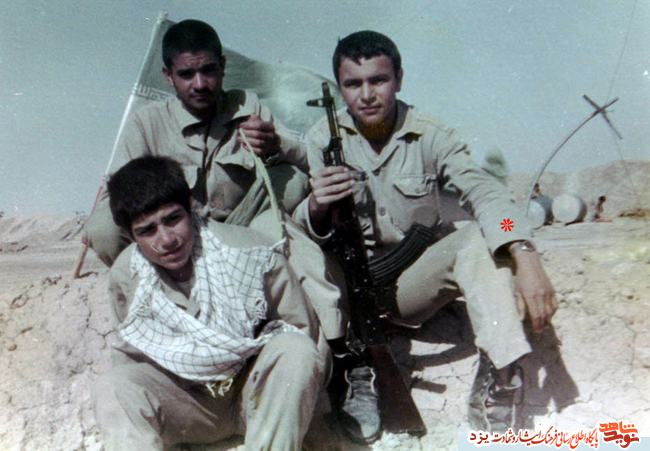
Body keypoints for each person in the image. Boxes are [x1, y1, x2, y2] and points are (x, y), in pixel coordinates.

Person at [292, 31, 558, 441]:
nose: (366, 95)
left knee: (478, 237)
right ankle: (356, 374)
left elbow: (487, 194)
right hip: (348, 292)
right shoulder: (320, 139)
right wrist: (316, 205)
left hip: (410, 287)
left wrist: (523, 251)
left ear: (398, 79)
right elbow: (305, 227)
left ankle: (502, 374)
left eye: (378, 80)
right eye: (353, 84)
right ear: (340, 88)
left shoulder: (432, 134)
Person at [84, 19, 347, 349]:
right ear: (168, 76)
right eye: (186, 74)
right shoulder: (148, 122)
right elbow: (119, 194)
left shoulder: (247, 106)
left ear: (222, 67)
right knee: (103, 227)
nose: (199, 84)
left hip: (243, 230)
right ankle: (163, 303)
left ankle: (337, 349)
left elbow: (312, 163)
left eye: (208, 71)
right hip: (178, 241)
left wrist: (276, 143)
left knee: (290, 223)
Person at [91, 156, 332, 450]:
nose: (166, 240)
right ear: (131, 236)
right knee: (111, 386)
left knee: (295, 348)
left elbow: (302, 332)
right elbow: (130, 358)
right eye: (147, 230)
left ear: (190, 208)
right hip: (186, 405)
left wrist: (310, 420)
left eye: (173, 219)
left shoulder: (250, 253)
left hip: (252, 398)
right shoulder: (127, 274)